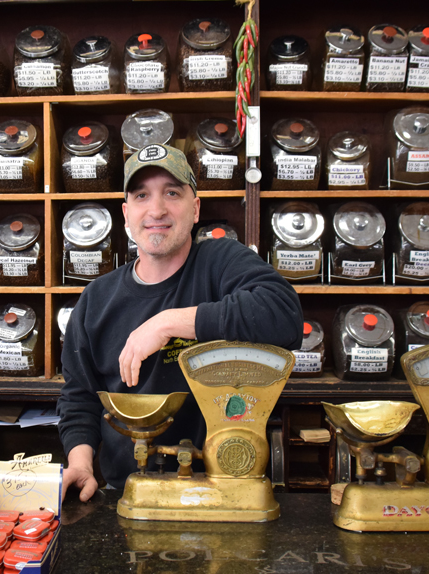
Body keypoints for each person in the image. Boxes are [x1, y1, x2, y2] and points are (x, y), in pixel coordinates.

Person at [57, 143, 303, 502]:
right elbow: (79, 396)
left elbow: (284, 316)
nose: (157, 209)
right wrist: (80, 463)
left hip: (223, 488)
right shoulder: (96, 298)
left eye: (172, 193)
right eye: (142, 195)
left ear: (196, 207)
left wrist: (168, 323)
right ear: (126, 214)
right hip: (125, 492)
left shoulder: (221, 262)